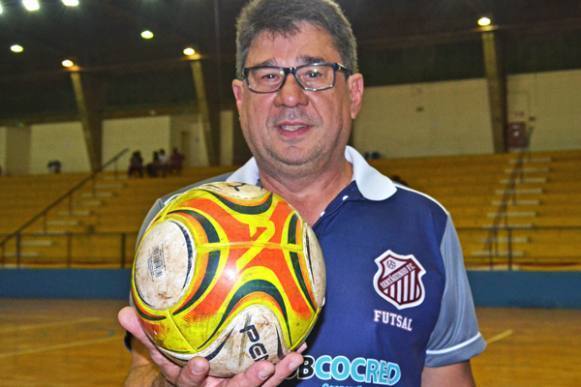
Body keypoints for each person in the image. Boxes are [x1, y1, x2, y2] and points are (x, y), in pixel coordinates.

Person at [118, 0, 486, 385]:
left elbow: (446, 374)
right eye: (267, 76)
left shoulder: (426, 224)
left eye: (314, 72)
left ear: (354, 93)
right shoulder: (177, 224)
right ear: (241, 99)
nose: (290, 96)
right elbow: (143, 371)